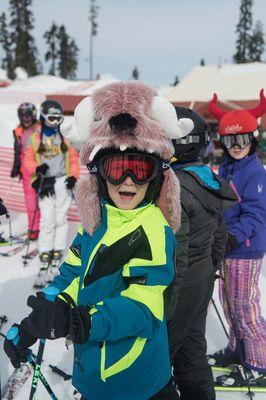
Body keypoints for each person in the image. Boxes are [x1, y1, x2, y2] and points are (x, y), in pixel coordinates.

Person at [4, 81, 194, 400]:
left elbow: (143, 306)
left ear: (158, 174)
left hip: (136, 381)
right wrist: (36, 322)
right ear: (99, 173)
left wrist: (81, 322)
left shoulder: (152, 228)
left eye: (140, 168)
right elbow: (72, 276)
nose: (128, 181)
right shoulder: (97, 221)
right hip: (93, 376)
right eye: (117, 167)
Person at [153, 107, 237, 400]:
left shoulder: (174, 186)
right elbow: (220, 232)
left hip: (180, 282)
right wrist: (210, 267)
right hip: (200, 278)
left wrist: (167, 289)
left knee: (158, 357)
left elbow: (177, 244)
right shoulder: (205, 176)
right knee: (191, 351)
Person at [207, 90, 266, 387]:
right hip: (228, 247)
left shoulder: (255, 172)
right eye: (231, 140)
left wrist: (232, 237)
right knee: (228, 302)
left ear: (253, 139)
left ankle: (258, 361)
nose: (237, 146)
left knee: (245, 307)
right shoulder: (228, 167)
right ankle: (236, 349)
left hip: (245, 249)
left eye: (243, 139)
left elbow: (255, 217)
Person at [23, 100, 79, 285]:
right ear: (43, 117)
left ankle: (57, 254)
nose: (55, 122)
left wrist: (73, 176)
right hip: (46, 182)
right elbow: (28, 159)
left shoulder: (65, 136)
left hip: (62, 181)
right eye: (51, 118)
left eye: (58, 118)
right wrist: (37, 170)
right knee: (46, 220)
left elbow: (73, 158)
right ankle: (45, 255)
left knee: (60, 219)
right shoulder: (35, 137)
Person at [10, 103, 40, 240]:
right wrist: (16, 167)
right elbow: (18, 151)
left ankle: (45, 228)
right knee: (31, 203)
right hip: (26, 173)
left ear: (34, 115)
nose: (26, 119)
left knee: (45, 203)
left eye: (28, 116)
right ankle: (33, 228)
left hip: (40, 171)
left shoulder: (41, 129)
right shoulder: (18, 131)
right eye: (23, 116)